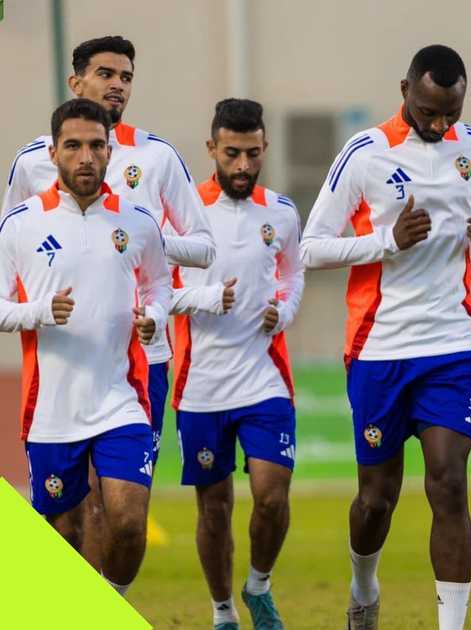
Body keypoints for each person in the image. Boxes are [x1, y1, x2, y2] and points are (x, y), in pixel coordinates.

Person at [300, 45, 471, 630]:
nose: (439, 124)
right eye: (427, 112)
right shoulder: (365, 154)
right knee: (377, 498)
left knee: (448, 481)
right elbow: (311, 247)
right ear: (404, 91)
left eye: (450, 111)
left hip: (450, 346)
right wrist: (386, 242)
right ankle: (364, 585)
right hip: (379, 350)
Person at [2, 35, 214, 570]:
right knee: (75, 512)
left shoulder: (157, 157)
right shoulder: (31, 166)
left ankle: (105, 600)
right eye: (105, 73)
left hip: (143, 361)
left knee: (121, 506)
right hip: (59, 371)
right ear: (77, 82)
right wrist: (41, 308)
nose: (117, 84)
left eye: (126, 76)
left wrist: (135, 246)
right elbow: (15, 251)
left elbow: (203, 247)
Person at [0, 98, 170, 597]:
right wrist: (39, 312)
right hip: (51, 409)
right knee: (65, 536)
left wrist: (154, 317)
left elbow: (159, 285)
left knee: (126, 522)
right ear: (53, 153)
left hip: (122, 401)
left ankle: (111, 602)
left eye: (97, 145)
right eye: (73, 146)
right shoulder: (20, 224)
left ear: (110, 150)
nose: (86, 157)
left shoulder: (138, 221)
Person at [170, 99, 304, 630]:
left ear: (265, 148)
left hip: (264, 377)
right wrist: (205, 298)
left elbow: (294, 273)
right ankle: (223, 610)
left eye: (253, 153)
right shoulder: (181, 215)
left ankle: (259, 586)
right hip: (201, 384)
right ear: (211, 150)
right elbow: (153, 291)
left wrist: (286, 309)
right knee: (215, 506)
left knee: (272, 492)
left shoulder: (282, 213)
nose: (243, 166)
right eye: (232, 154)